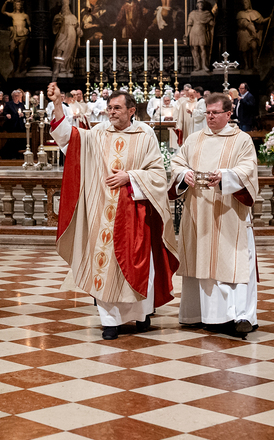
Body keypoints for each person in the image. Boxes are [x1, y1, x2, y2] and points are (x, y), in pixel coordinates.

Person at [47, 84, 178, 340]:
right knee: (104, 267)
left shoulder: (145, 134)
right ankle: (110, 322)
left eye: (117, 108)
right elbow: (69, 139)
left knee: (138, 264)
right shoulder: (98, 133)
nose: (111, 112)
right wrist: (57, 104)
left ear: (131, 111)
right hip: (102, 211)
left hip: (135, 212)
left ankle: (141, 315)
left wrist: (130, 177)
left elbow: (157, 174)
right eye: (109, 108)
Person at [170, 93, 259, 336]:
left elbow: (248, 168)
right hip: (198, 211)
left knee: (232, 262)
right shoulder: (195, 139)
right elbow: (177, 162)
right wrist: (184, 175)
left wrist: (225, 176)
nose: (210, 117)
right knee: (200, 260)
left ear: (228, 114)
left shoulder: (241, 140)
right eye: (207, 113)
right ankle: (200, 314)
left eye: (215, 113)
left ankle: (238, 316)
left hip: (228, 211)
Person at [1, 89, 26, 159]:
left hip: (20, 125)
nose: (16, 97)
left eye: (17, 96)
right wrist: (7, 114)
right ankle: (11, 155)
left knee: (19, 141)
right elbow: (5, 112)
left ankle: (18, 155)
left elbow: (25, 113)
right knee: (12, 140)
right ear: (12, 96)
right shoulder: (8, 104)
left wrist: (22, 114)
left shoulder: (21, 104)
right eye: (15, 96)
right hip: (12, 125)